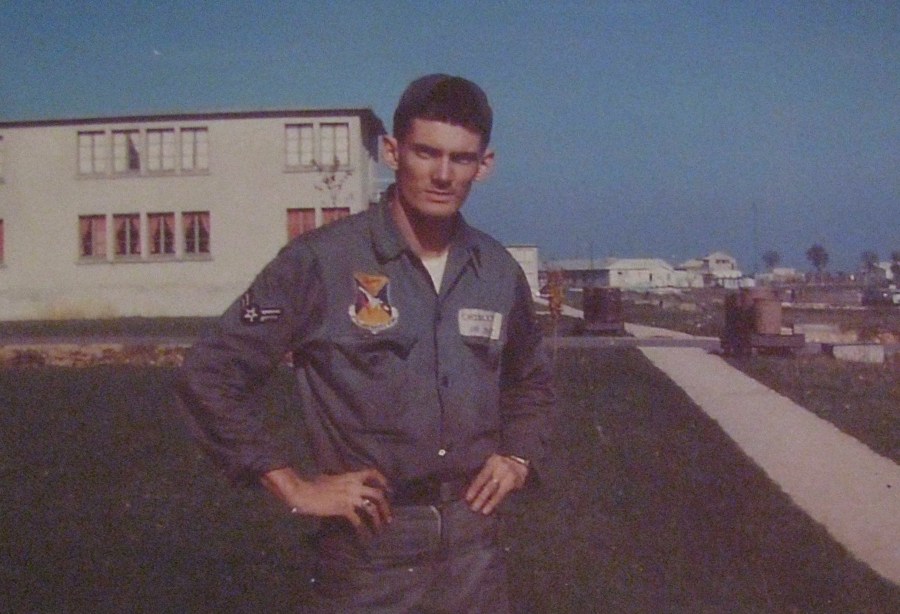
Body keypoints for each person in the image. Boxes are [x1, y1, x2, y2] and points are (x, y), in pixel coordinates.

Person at [177, 74, 555, 612]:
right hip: (370, 551)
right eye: (426, 153)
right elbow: (210, 373)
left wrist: (517, 455)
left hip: (475, 548)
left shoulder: (496, 270)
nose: (443, 174)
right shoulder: (322, 261)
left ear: (484, 165)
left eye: (461, 158)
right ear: (392, 152)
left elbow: (531, 381)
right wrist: (293, 486)